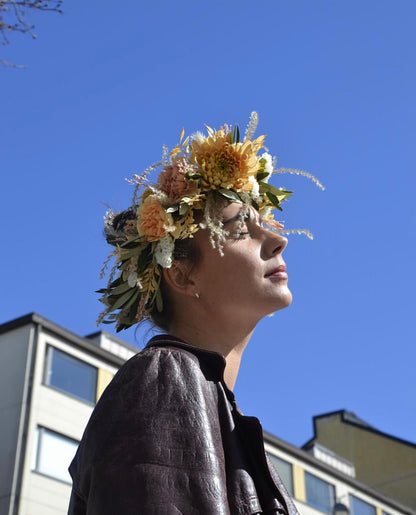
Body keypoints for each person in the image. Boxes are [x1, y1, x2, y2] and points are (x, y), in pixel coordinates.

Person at [67, 112, 322, 514]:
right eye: (240, 229)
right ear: (182, 275)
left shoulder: (207, 399)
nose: (277, 239)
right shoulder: (164, 380)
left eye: (266, 223)